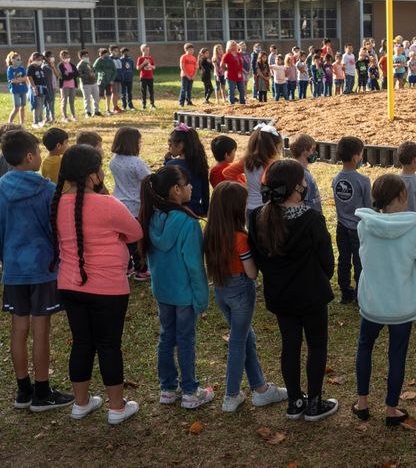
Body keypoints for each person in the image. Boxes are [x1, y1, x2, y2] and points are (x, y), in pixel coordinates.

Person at [51, 144, 142, 423]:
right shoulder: (109, 204)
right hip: (108, 288)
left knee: (82, 342)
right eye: (100, 169)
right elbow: (135, 232)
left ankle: (81, 403)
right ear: (92, 175)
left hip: (69, 285)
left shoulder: (57, 202)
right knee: (108, 345)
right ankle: (116, 408)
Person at [249, 159, 338, 421]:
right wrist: (321, 277)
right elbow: (327, 260)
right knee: (316, 345)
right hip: (311, 295)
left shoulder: (257, 216)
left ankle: (295, 401)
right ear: (296, 187)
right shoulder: (311, 219)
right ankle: (315, 403)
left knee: (290, 345)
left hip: (280, 294)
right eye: (302, 180)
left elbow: (258, 256)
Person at [0, 130, 73, 412]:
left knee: (18, 328)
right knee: (41, 328)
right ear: (30, 156)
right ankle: (42, 391)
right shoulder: (45, 189)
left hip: (14, 268)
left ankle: (23, 390)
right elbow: (55, 229)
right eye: (38, 153)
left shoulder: (2, 187)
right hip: (42, 268)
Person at [203, 181, 288, 412]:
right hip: (241, 290)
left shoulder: (209, 233)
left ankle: (260, 388)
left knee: (245, 336)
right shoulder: (240, 238)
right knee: (239, 341)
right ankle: (231, 395)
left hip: (221, 290)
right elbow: (251, 272)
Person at [352, 174, 416, 426]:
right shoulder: (414, 229)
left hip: (373, 302)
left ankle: (362, 402)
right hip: (401, 304)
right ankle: (391, 407)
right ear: (402, 196)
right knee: (397, 354)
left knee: (365, 346)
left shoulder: (364, 225)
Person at [139, 165, 214, 410]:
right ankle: (191, 391)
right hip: (184, 295)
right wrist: (202, 299)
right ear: (176, 190)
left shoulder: (150, 218)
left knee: (166, 337)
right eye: (188, 183)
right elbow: (194, 265)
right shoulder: (188, 223)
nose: (192, 187)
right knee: (185, 340)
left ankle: (167, 389)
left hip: (163, 291)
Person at [332, 136, 371, 304]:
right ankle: (359, 294)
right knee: (359, 260)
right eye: (361, 154)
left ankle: (345, 291)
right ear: (356, 157)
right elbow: (368, 207)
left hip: (341, 226)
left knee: (343, 259)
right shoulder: (363, 180)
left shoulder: (336, 179)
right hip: (358, 228)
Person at [108, 127, 151, 280]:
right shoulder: (136, 162)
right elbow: (148, 179)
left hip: (119, 202)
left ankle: (126, 267)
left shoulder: (114, 161)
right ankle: (141, 269)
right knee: (137, 239)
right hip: (135, 205)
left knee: (123, 239)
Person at [223, 124, 282, 215]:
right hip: (266, 208)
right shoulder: (271, 164)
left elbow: (227, 172)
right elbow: (269, 183)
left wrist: (243, 185)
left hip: (249, 206)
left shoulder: (246, 161)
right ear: (273, 147)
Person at [165, 124, 210, 217]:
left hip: (177, 210)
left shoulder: (172, 165)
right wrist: (205, 210)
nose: (169, 148)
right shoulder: (200, 163)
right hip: (195, 210)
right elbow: (205, 191)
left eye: (170, 145)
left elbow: (166, 185)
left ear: (180, 146)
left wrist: (167, 162)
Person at [289, 134, 322, 213]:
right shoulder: (301, 174)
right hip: (311, 219)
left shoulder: (302, 171)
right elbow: (300, 202)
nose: (315, 153)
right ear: (305, 150)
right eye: (313, 150)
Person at [76, 50, 100, 119]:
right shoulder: (80, 65)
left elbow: (94, 70)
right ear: (81, 57)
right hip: (86, 84)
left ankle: (96, 111)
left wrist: (94, 74)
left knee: (96, 97)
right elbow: (79, 74)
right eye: (85, 56)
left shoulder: (88, 63)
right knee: (87, 98)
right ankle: (88, 112)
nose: (87, 57)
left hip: (93, 83)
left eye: (87, 55)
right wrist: (88, 75)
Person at [6, 52, 28, 126]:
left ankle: (22, 123)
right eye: (17, 59)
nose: (19, 61)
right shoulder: (10, 69)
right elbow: (12, 80)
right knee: (16, 107)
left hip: (23, 89)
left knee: (23, 106)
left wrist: (18, 80)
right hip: (16, 90)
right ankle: (9, 123)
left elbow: (26, 78)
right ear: (12, 60)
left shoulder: (22, 68)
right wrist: (21, 79)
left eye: (20, 59)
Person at [27, 52, 48, 129]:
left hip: (43, 88)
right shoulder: (31, 67)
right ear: (34, 59)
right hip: (36, 88)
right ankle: (35, 122)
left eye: (41, 59)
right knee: (37, 105)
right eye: (38, 59)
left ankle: (40, 121)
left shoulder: (40, 67)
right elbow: (30, 77)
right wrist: (34, 88)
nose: (40, 61)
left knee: (41, 105)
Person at [93, 48, 116, 115]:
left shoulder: (110, 61)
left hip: (109, 81)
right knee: (100, 95)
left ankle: (108, 109)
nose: (106, 55)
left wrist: (112, 79)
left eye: (106, 54)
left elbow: (114, 71)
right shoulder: (98, 60)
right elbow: (94, 68)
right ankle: (96, 110)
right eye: (104, 54)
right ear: (101, 55)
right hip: (101, 81)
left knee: (108, 95)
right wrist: (100, 72)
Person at [221, 40, 245, 105]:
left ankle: (242, 103)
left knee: (242, 90)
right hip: (231, 75)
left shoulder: (238, 54)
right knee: (231, 90)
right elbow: (222, 64)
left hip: (239, 75)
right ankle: (232, 104)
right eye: (232, 45)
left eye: (235, 45)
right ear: (229, 46)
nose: (234, 46)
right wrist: (226, 69)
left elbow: (240, 63)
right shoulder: (227, 55)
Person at [135, 44, 156, 110]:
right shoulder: (140, 58)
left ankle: (152, 104)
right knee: (143, 91)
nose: (147, 52)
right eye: (146, 50)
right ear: (142, 50)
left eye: (148, 50)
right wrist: (144, 63)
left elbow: (154, 67)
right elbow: (138, 68)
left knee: (151, 91)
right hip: (143, 77)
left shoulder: (150, 58)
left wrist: (151, 66)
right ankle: (144, 105)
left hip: (150, 77)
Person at [42, 51, 59, 125]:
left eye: (52, 56)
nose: (52, 58)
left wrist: (53, 67)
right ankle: (47, 117)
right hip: (48, 87)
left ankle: (53, 117)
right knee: (48, 103)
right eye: (50, 56)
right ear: (46, 58)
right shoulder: (44, 66)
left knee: (52, 103)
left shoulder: (52, 65)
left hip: (54, 86)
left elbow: (58, 75)